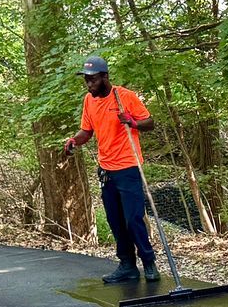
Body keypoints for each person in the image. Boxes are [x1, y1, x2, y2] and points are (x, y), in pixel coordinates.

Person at [62, 53, 159, 285]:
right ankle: (127, 265)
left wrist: (133, 122)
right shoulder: (89, 101)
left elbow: (150, 123)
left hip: (128, 167)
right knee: (115, 220)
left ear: (105, 77)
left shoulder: (124, 96)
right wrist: (74, 141)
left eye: (93, 79)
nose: (89, 84)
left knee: (133, 218)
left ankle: (149, 263)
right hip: (106, 170)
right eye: (86, 80)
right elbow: (87, 131)